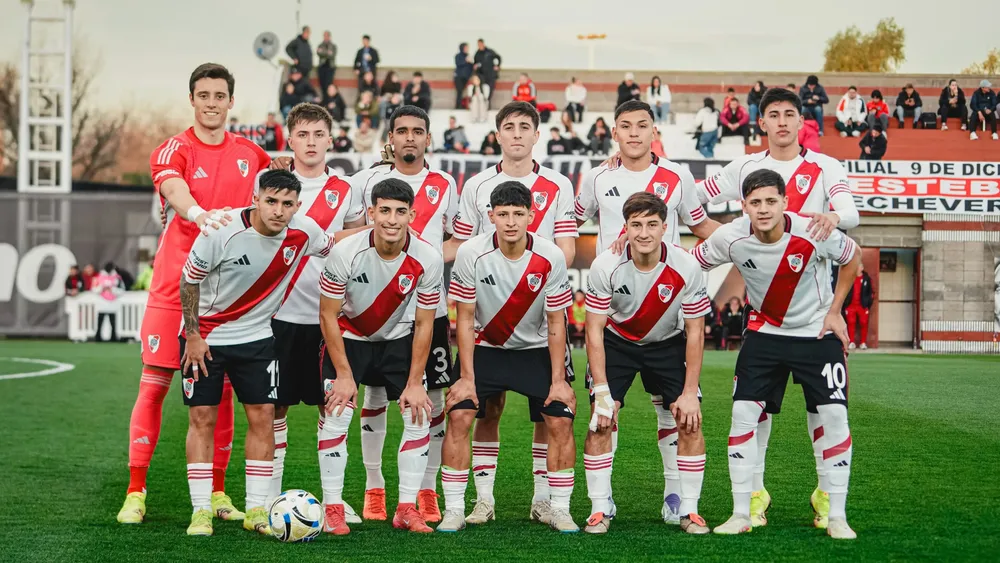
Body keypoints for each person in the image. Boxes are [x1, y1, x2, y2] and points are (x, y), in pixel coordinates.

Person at [696, 87, 860, 528]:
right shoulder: (743, 167)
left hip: (813, 311)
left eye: (791, 114)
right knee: (754, 413)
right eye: (774, 114)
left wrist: (831, 221)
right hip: (765, 319)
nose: (782, 122)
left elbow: (850, 218)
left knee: (823, 414)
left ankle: (828, 498)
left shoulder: (826, 166)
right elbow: (688, 198)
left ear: (802, 121)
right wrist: (723, 235)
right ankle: (751, 499)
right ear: (761, 121)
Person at [118, 63, 273, 526]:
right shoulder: (175, 148)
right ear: (192, 100)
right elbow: (173, 186)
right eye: (203, 94)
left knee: (219, 392)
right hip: (173, 290)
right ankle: (135, 490)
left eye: (219, 95)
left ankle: (219, 493)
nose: (211, 102)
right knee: (154, 387)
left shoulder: (253, 154)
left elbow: (276, 198)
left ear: (230, 101)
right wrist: (198, 212)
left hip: (227, 299)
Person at [577, 100, 719, 526]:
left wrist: (755, 244)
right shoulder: (597, 177)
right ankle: (601, 506)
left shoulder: (678, 176)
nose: (634, 133)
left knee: (681, 412)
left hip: (668, 319)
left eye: (642, 126)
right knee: (602, 416)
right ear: (614, 132)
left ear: (654, 130)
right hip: (617, 312)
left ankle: (680, 502)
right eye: (625, 126)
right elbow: (568, 224)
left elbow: (701, 226)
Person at [178, 169, 332, 536]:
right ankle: (201, 510)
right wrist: (195, 335)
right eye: (271, 201)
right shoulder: (220, 230)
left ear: (298, 205)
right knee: (202, 418)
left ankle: (256, 510)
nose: (278, 211)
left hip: (258, 338)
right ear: (256, 198)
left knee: (263, 416)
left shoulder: (305, 231)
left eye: (287, 204)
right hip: (207, 338)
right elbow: (189, 280)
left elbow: (334, 246)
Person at [446, 101, 579, 528]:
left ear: (536, 134)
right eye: (509, 126)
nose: (517, 133)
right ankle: (478, 502)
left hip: (538, 327)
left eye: (526, 127)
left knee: (554, 415)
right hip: (488, 337)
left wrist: (535, 280)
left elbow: (565, 250)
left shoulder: (558, 185)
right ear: (498, 134)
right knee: (480, 412)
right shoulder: (476, 187)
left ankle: (548, 502)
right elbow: (461, 250)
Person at [349, 106, 461, 524]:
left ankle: (425, 489)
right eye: (402, 131)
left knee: (431, 401)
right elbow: (347, 229)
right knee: (374, 397)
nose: (410, 138)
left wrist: (425, 261)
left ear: (429, 138)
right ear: (390, 138)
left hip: (429, 309)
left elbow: (459, 241)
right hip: (373, 311)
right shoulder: (366, 181)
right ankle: (374, 488)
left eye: (418, 131)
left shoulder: (446, 183)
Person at [316, 178, 444, 535]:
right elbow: (327, 315)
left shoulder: (428, 257)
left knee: (419, 414)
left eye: (400, 212)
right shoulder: (345, 252)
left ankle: (406, 507)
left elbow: (423, 324)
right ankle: (333, 508)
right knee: (337, 411)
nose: (392, 219)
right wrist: (343, 374)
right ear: (371, 212)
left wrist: (416, 382)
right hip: (350, 338)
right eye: (384, 210)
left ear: (412, 215)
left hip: (398, 339)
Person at [263, 104, 367, 526]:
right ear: (290, 139)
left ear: (330, 139)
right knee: (274, 410)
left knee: (336, 407)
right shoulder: (271, 184)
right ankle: (268, 500)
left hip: (329, 318)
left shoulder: (346, 189)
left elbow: (361, 239)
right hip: (277, 314)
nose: (310, 141)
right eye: (302, 134)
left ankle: (335, 504)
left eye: (317, 134)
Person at [843, 260, 874, 350]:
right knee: (850, 323)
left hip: (862, 306)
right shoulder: (850, 278)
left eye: (859, 266)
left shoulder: (866, 279)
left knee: (863, 323)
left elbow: (870, 292)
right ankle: (851, 342)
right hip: (851, 305)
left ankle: (863, 343)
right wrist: (846, 304)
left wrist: (868, 304)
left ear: (862, 268)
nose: (857, 268)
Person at [472, 39, 502, 107]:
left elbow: (498, 57)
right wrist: (475, 67)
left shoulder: (489, 51)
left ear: (483, 44)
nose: (479, 46)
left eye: (480, 44)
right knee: (482, 89)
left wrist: (498, 66)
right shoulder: (477, 53)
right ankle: (483, 102)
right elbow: (475, 63)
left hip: (491, 74)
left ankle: (488, 103)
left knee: (490, 89)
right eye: (478, 44)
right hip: (482, 75)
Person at [454, 43, 474, 109]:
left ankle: (462, 105)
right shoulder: (458, 56)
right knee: (459, 92)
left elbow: (471, 67)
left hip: (466, 78)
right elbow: (458, 63)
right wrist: (466, 60)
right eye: (466, 47)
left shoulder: (469, 56)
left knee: (464, 92)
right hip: (459, 77)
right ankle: (458, 107)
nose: (467, 49)